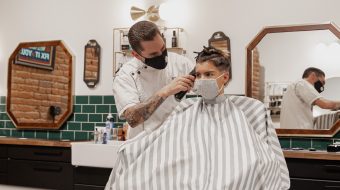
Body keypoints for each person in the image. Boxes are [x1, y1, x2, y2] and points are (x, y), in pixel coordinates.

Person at [106, 46, 290, 190]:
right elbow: (159, 139)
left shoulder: (249, 108)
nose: (201, 79)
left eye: (209, 75)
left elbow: (261, 153)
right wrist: (132, 148)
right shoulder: (186, 107)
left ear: (224, 77)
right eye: (198, 75)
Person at [112, 21, 195, 138]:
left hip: (176, 141)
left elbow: (206, 88)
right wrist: (165, 91)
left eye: (163, 48)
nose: (162, 55)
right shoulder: (125, 75)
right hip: (143, 146)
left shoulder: (181, 62)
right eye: (153, 54)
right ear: (136, 55)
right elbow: (133, 118)